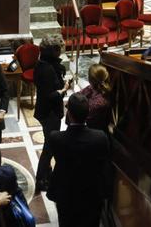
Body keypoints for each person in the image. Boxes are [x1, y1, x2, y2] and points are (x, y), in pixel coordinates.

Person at [46, 92, 112, 227]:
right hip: (92, 195)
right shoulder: (100, 137)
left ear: (68, 114)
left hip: (66, 194)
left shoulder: (56, 138)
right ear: (88, 113)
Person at [35, 35, 69, 191]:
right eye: (59, 48)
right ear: (54, 50)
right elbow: (51, 95)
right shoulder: (47, 69)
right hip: (49, 113)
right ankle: (41, 179)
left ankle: (46, 172)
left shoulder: (45, 64)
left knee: (49, 143)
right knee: (49, 146)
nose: (61, 51)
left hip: (45, 110)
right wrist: (64, 89)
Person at [80, 63, 111, 131]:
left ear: (90, 79)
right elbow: (78, 94)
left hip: (95, 133)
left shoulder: (100, 102)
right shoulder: (91, 88)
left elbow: (83, 118)